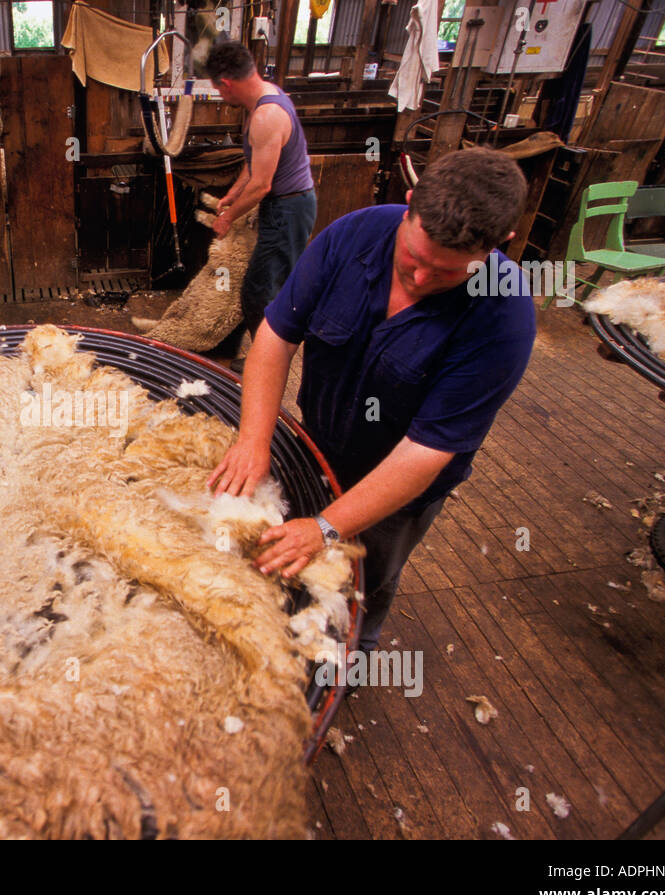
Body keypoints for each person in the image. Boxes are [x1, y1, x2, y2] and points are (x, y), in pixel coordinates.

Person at [208, 148, 535, 655]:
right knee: (285, 551)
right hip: (316, 444)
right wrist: (254, 439)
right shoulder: (354, 235)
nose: (421, 280)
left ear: (499, 245)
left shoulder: (503, 315)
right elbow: (275, 336)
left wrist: (326, 527)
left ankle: (354, 649)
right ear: (408, 206)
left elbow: (426, 451)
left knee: (364, 575)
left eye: (447, 273)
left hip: (398, 485)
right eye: (414, 259)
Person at [206, 41, 316, 366]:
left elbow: (263, 185)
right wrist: (232, 195)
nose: (223, 98)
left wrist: (227, 218)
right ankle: (257, 355)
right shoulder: (266, 96)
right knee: (262, 285)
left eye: (219, 91)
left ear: (226, 84)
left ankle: (266, 365)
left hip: (289, 209)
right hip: (286, 205)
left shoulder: (267, 115)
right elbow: (256, 163)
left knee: (261, 291)